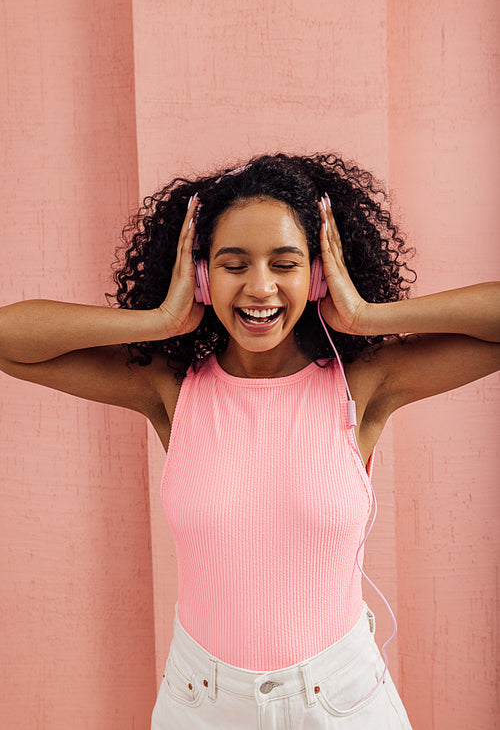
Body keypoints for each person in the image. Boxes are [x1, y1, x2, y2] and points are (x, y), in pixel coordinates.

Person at [0, 153, 498, 729]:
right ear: (204, 277)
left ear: (316, 275)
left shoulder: (362, 383)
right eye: (233, 265)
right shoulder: (170, 387)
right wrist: (161, 320)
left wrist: (364, 314)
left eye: (284, 263)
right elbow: (11, 339)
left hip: (340, 702)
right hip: (202, 704)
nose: (260, 287)